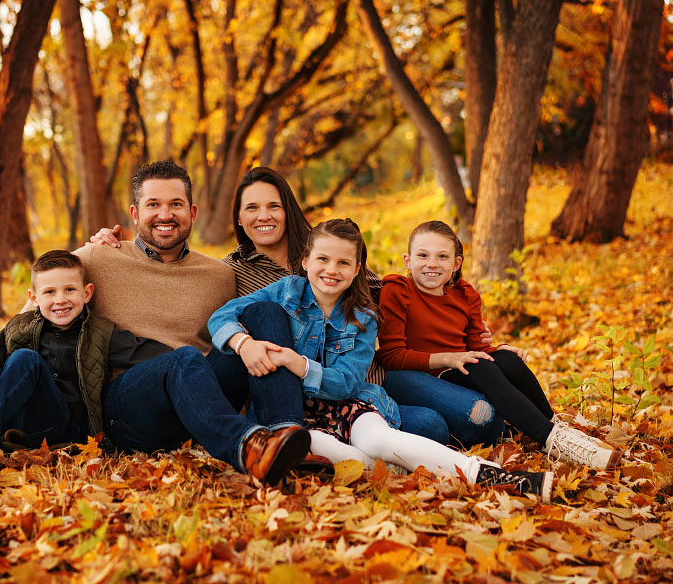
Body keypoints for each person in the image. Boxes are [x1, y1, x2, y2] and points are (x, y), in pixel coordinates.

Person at [93, 166, 504, 448]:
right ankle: (298, 435)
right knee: (440, 426)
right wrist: (102, 247)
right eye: (251, 208)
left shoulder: (331, 250)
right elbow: (224, 318)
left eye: (272, 205)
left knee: (481, 420)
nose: (263, 217)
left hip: (369, 379)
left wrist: (471, 325)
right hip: (295, 390)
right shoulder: (228, 272)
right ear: (238, 217)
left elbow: (403, 291)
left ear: (288, 209)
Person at [208, 219, 552, 501]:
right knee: (338, 453)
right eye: (323, 260)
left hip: (345, 403)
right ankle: (403, 467)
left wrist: (298, 364)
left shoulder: (362, 317)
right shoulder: (284, 292)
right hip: (293, 412)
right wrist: (243, 344)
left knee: (379, 440)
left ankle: (498, 477)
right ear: (305, 262)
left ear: (357, 268)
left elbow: (346, 382)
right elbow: (220, 317)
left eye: (344, 263)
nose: (332, 270)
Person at [69, 161, 313, 484]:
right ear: (134, 213)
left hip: (201, 402)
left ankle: (285, 438)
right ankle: (249, 448)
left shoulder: (220, 274)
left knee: (265, 312)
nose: (165, 215)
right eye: (153, 204)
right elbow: (42, 301)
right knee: (183, 359)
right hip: (131, 407)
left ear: (192, 213)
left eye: (176, 204)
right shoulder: (97, 258)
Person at [0, 250, 171, 484]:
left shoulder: (101, 333)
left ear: (87, 293)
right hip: (15, 416)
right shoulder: (20, 327)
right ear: (34, 297)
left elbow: (158, 355)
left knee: (25, 360)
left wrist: (190, 359)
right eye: (49, 292)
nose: (60, 300)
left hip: (61, 428)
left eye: (70, 290)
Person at [377, 220, 622, 470]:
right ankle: (551, 439)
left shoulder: (465, 295)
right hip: (418, 376)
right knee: (480, 366)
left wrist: (499, 349)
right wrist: (450, 358)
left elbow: (475, 347)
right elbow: (391, 356)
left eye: (442, 256)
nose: (432, 263)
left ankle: (559, 430)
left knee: (508, 360)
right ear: (408, 260)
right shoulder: (398, 290)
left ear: (456, 263)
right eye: (423, 255)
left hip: (458, 372)